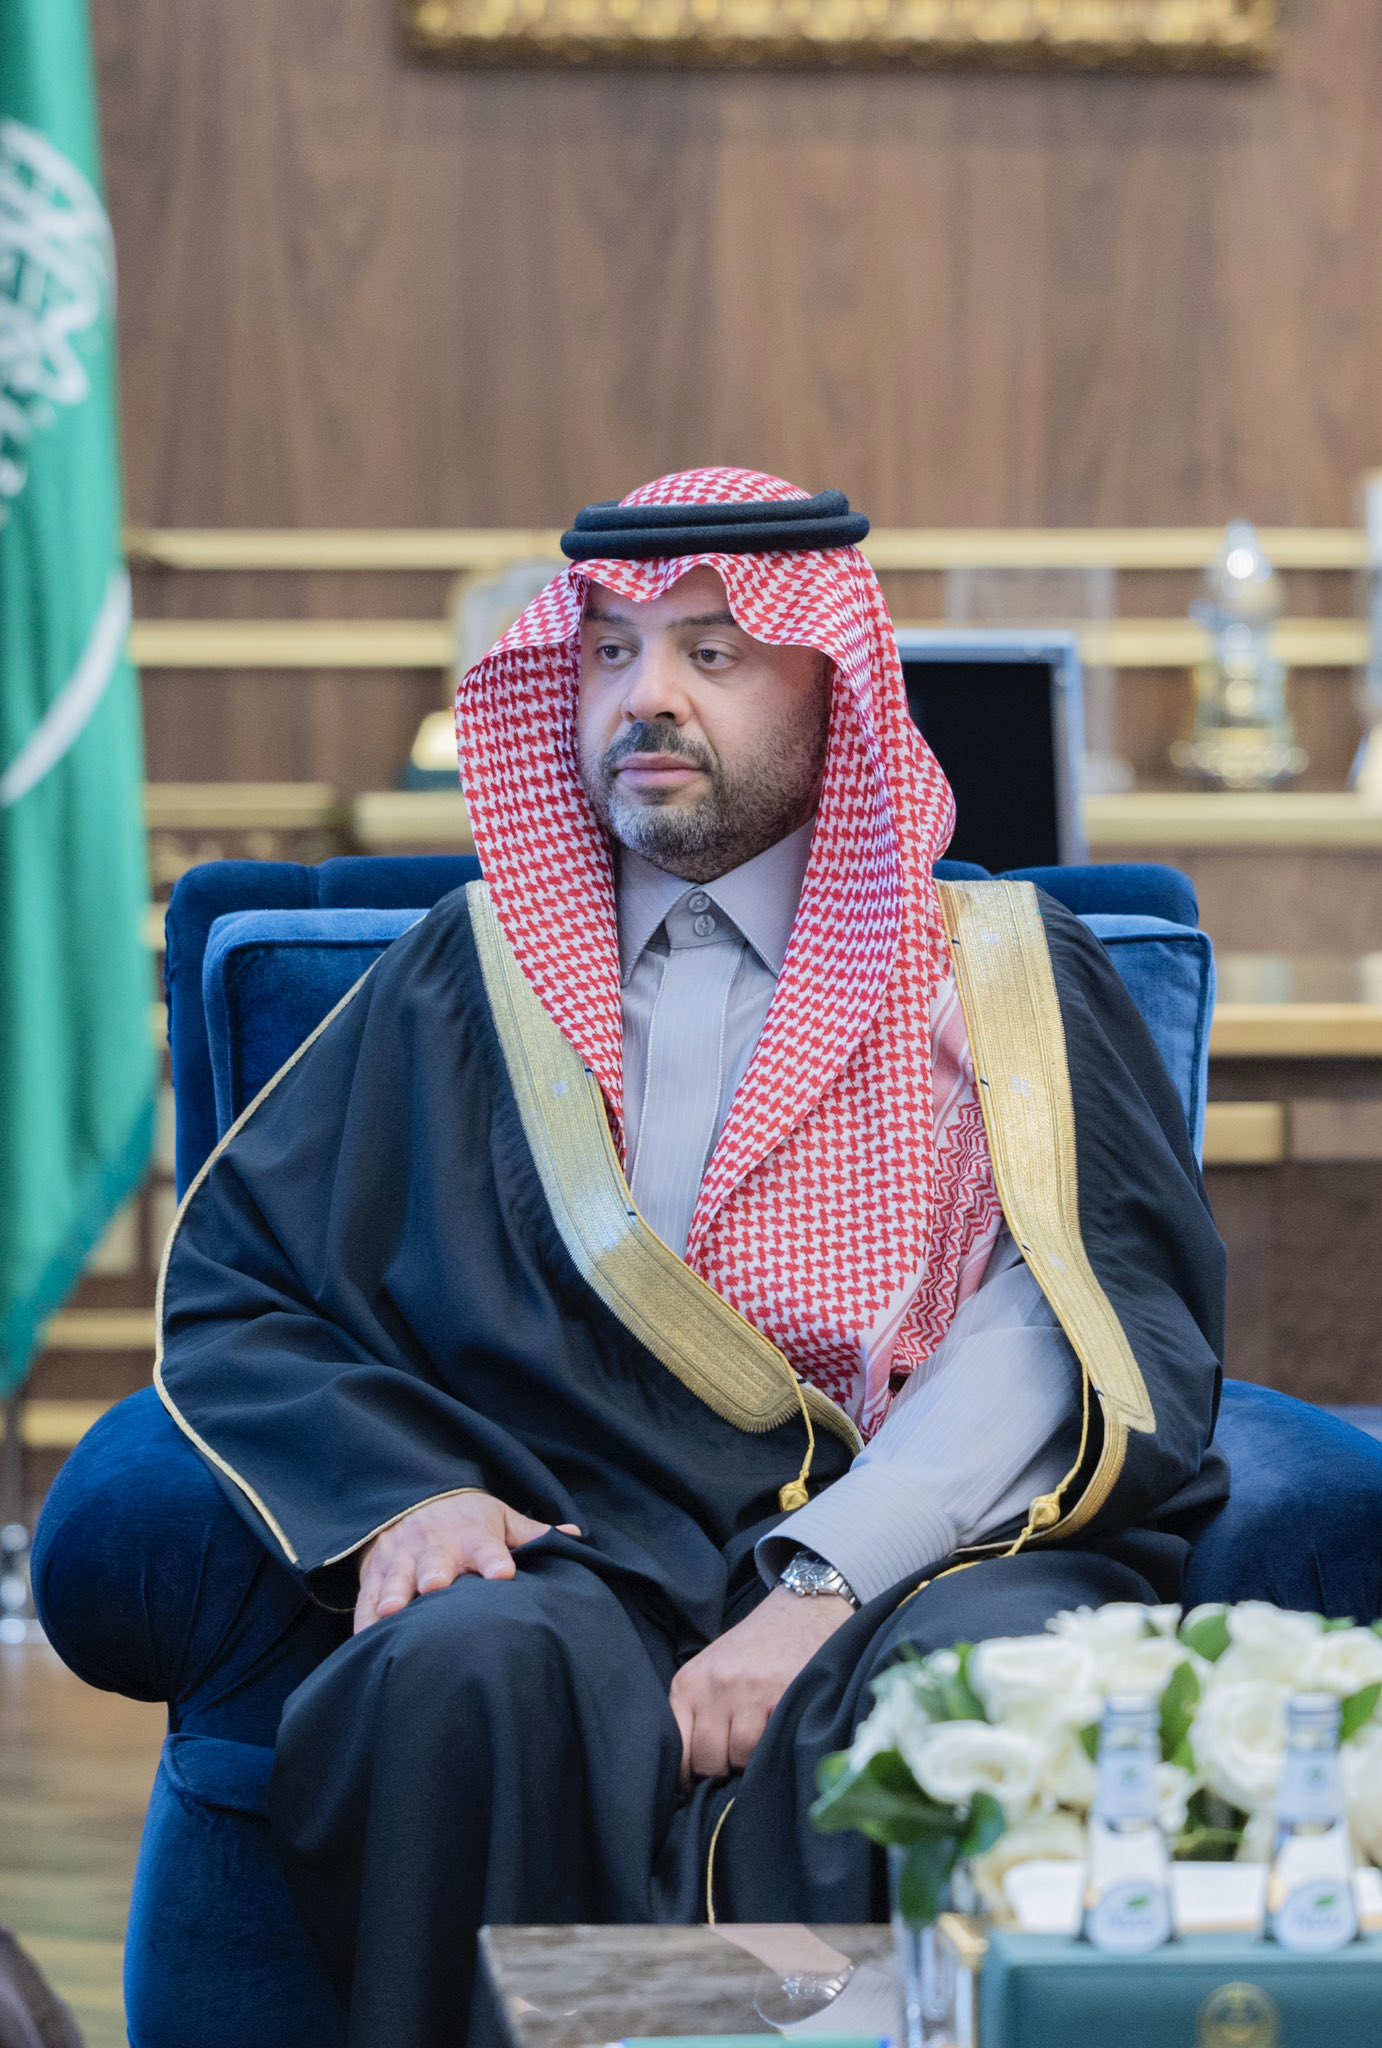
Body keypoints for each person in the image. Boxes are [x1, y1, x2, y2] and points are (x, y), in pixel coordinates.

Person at [152, 469, 1227, 2048]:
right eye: (607, 652)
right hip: (573, 1536)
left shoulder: (1002, 975)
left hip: (931, 1544)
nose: (643, 697)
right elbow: (250, 1287)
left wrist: (822, 1584)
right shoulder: (468, 982)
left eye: (710, 652)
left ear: (831, 683)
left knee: (985, 1693)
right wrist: (407, 1490)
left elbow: (1060, 1317)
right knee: (455, 1677)